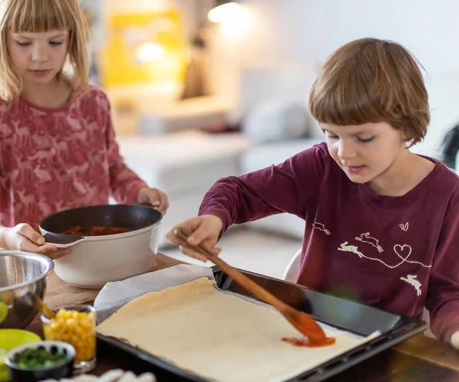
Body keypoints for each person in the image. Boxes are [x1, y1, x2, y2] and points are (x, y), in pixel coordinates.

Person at [167, 38, 459, 347]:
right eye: (331, 134)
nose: (343, 152)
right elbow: (238, 191)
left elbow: (446, 293)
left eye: (363, 137)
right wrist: (214, 218)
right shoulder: (321, 167)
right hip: (306, 334)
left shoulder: (447, 196)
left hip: (385, 348)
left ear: (406, 126)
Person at [0, 0, 168, 259]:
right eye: (24, 42)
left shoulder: (94, 102)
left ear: (73, 37)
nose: (40, 56)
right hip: (23, 265)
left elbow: (112, 168)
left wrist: (139, 192)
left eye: (55, 41)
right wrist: (7, 236)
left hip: (92, 256)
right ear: (1, 38)